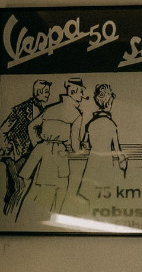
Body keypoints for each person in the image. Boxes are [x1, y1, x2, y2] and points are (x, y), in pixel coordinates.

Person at [15, 78, 87, 223]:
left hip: (42, 153)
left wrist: (39, 145)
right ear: (73, 92)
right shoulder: (76, 114)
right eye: (80, 92)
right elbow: (75, 145)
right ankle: (48, 223)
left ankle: (26, 221)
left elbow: (31, 127)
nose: (82, 96)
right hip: (58, 155)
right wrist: (83, 150)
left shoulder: (50, 108)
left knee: (36, 191)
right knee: (59, 193)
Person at [0, 79, 51, 215]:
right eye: (46, 91)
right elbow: (3, 130)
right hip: (14, 155)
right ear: (38, 92)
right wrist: (6, 150)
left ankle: (12, 216)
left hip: (29, 155)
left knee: (22, 188)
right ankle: (8, 217)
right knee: (17, 187)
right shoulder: (21, 109)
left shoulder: (43, 110)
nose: (48, 94)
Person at [80, 83, 127, 196]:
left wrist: (89, 146)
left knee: (88, 192)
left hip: (93, 159)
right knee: (105, 193)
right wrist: (123, 161)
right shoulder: (111, 124)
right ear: (108, 104)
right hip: (105, 161)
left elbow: (84, 143)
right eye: (111, 103)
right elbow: (117, 148)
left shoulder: (90, 124)